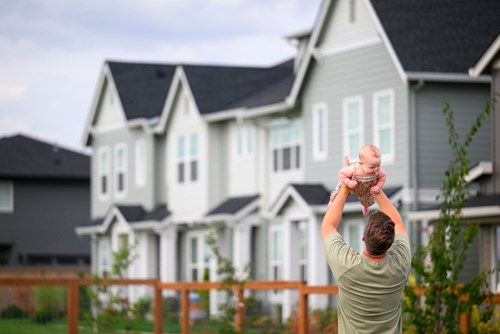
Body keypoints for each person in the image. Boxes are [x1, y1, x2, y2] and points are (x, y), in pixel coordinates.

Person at [322, 166, 411, 333]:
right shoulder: (400, 265)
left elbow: (328, 226)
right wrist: (376, 190)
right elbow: (398, 224)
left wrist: (346, 188)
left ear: (363, 237)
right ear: (391, 242)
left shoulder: (347, 267)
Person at [332, 144, 387, 215]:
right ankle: (331, 203)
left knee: (369, 197)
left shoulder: (378, 171)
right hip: (352, 184)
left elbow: (383, 177)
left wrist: (378, 186)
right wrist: (348, 182)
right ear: (361, 163)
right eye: (371, 167)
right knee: (339, 191)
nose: (376, 169)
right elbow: (341, 173)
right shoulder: (355, 169)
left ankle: (365, 206)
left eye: (378, 165)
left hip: (365, 188)